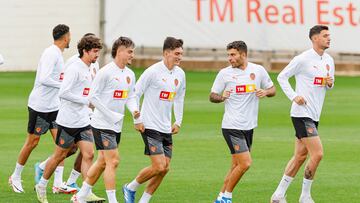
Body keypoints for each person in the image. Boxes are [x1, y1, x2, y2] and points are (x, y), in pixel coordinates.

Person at [270, 25, 335, 203]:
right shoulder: (303, 59)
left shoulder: (329, 60)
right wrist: (294, 96)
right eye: (325, 36)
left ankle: (278, 195)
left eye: (329, 35)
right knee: (318, 153)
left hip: (315, 114)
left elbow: (330, 85)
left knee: (299, 156)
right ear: (315, 38)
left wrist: (329, 83)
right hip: (301, 113)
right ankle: (305, 196)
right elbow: (282, 77)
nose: (329, 38)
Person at [34, 35, 103, 203]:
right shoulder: (75, 67)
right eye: (94, 52)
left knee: (89, 154)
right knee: (59, 155)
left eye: (98, 52)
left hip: (83, 120)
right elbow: (63, 92)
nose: (97, 55)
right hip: (67, 121)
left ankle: (85, 192)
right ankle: (42, 185)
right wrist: (85, 101)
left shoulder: (89, 67)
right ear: (85, 51)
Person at [72, 36, 139, 203]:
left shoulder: (130, 74)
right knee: (113, 161)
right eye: (130, 52)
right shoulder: (105, 72)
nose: (132, 55)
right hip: (102, 124)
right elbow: (92, 97)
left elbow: (130, 96)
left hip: (116, 125)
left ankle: (81, 196)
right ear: (120, 51)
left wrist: (135, 111)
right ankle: (113, 200)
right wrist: (110, 115)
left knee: (102, 161)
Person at [210, 41, 276, 203]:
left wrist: (265, 92)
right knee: (245, 164)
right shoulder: (225, 73)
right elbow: (212, 96)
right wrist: (222, 97)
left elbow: (273, 90)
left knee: (235, 166)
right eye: (228, 55)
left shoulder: (258, 70)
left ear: (243, 54)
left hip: (249, 127)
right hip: (231, 126)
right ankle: (227, 197)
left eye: (233, 55)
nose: (229, 58)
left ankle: (220, 197)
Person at [122, 37, 186, 203]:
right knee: (158, 166)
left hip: (166, 127)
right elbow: (134, 94)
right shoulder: (152, 71)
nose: (180, 56)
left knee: (164, 169)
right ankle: (130, 187)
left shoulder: (180, 74)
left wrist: (178, 121)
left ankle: (144, 200)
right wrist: (137, 119)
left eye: (181, 53)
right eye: (177, 53)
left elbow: (179, 98)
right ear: (166, 53)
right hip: (149, 125)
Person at [9, 24, 71, 193]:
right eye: (69, 36)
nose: (70, 39)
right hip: (40, 106)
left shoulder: (58, 54)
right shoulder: (51, 53)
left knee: (64, 145)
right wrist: (63, 86)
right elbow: (44, 78)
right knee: (32, 142)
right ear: (66, 37)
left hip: (54, 106)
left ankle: (57, 183)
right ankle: (15, 176)